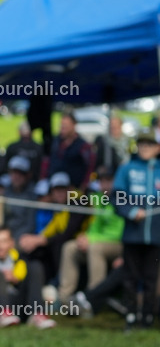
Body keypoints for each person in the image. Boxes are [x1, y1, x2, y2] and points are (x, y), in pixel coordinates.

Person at [113, 132, 160, 330]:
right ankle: (130, 316)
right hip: (133, 234)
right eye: (141, 144)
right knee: (131, 277)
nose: (145, 148)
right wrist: (131, 211)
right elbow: (116, 197)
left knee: (151, 277)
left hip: (156, 235)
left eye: (149, 144)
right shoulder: (127, 169)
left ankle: (148, 318)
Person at [56, 167, 123, 304]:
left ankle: (92, 299)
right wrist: (84, 237)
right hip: (99, 241)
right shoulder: (98, 198)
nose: (105, 185)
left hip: (119, 244)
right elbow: (95, 225)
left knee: (95, 248)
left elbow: (118, 231)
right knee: (70, 247)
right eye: (102, 181)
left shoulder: (123, 198)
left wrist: (91, 240)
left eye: (109, 180)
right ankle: (64, 298)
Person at [45, 112, 93, 191]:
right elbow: (47, 161)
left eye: (66, 126)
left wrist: (84, 185)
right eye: (62, 125)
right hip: (53, 188)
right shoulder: (55, 141)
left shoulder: (83, 146)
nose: (63, 128)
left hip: (74, 190)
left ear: (74, 125)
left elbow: (90, 166)